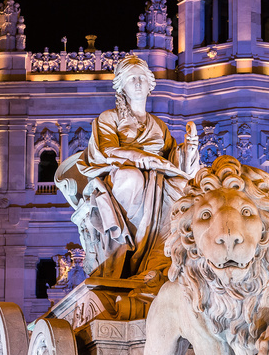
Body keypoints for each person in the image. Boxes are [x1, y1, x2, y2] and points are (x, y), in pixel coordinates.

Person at [56, 55, 198, 279]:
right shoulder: (108, 118)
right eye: (132, 79)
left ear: (150, 84)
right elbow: (108, 151)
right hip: (119, 175)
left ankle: (161, 252)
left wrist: (189, 150)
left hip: (157, 178)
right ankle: (128, 246)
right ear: (121, 86)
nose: (139, 83)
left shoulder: (159, 125)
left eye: (142, 78)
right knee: (131, 178)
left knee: (183, 187)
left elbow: (173, 158)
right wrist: (138, 156)